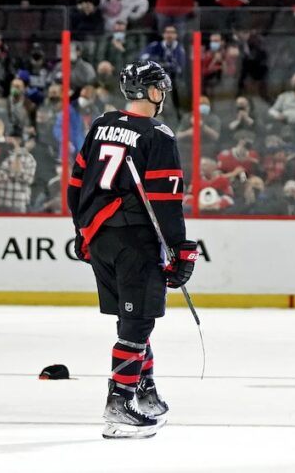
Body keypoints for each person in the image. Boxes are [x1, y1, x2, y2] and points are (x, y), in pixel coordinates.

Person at [67, 60, 198, 439]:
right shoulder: (158, 133)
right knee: (138, 322)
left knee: (132, 319)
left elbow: (76, 182)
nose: (164, 94)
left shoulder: (102, 123)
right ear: (150, 91)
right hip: (134, 239)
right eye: (160, 87)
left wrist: (82, 228)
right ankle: (120, 401)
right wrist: (180, 249)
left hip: (100, 238)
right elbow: (164, 200)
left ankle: (145, 389)